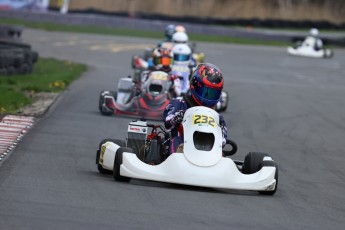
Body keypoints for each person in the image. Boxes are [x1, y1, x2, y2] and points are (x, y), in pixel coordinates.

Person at [163, 63, 228, 154]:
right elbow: (167, 123)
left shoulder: (216, 117)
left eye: (213, 93)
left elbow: (223, 139)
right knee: (176, 141)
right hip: (182, 145)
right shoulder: (179, 103)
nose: (208, 97)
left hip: (208, 149)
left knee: (221, 153)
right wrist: (176, 118)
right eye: (206, 92)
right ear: (195, 85)